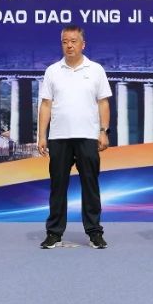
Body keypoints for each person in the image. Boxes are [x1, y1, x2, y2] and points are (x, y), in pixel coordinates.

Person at [37, 25, 112, 250]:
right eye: (65, 42)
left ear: (83, 44)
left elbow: (103, 102)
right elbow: (46, 104)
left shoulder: (96, 69)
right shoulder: (52, 71)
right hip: (59, 137)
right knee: (58, 187)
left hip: (88, 136)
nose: (69, 45)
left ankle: (94, 232)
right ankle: (54, 233)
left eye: (73, 41)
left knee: (90, 186)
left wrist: (103, 131)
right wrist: (42, 135)